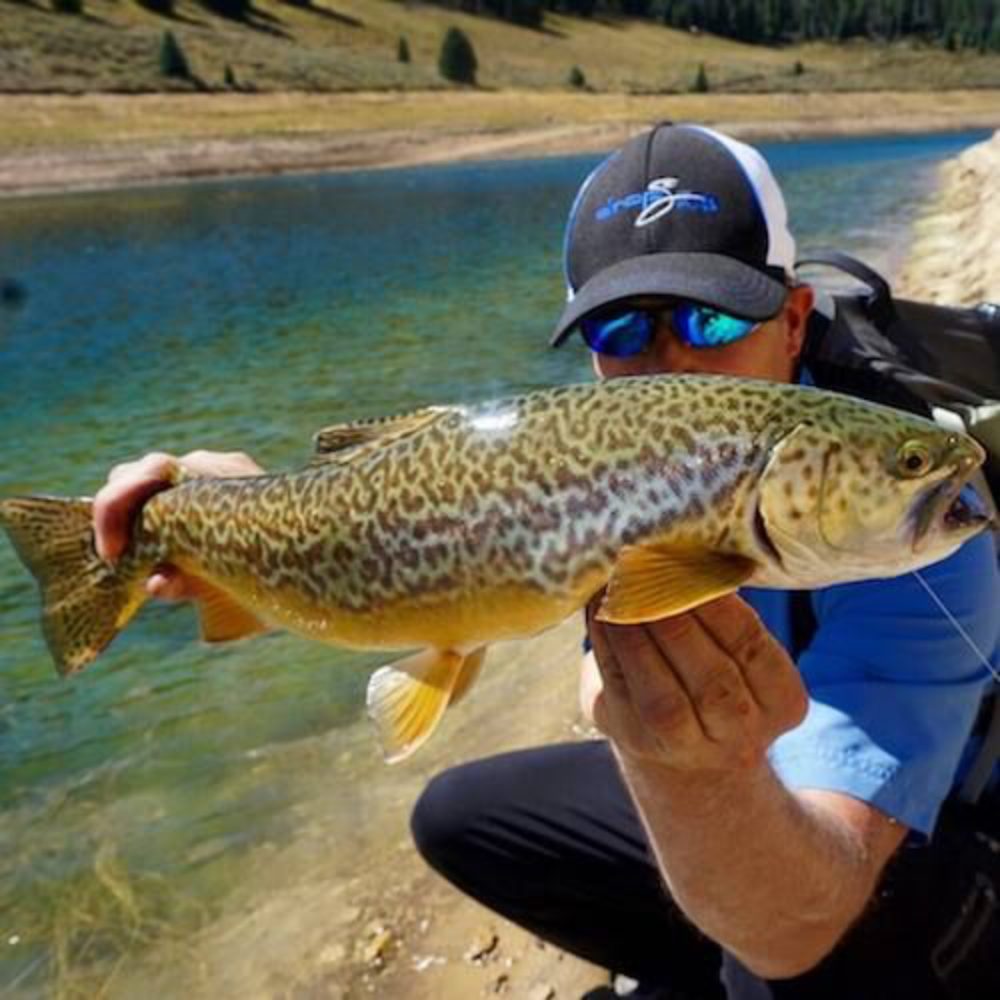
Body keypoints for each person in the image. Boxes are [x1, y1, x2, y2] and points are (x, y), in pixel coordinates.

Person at [92, 124, 1000, 998]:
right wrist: (229, 510)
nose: (672, 362)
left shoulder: (919, 528)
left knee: (785, 960)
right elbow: (431, 528)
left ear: (795, 321)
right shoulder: (606, 457)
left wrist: (700, 775)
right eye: (622, 334)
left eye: (712, 322)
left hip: (897, 851)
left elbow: (809, 912)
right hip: (740, 798)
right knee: (458, 821)